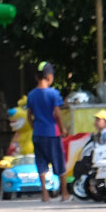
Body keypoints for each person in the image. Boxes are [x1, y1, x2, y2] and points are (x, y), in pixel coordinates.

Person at [27, 64, 66, 202]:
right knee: (59, 161)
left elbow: (29, 116)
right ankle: (64, 193)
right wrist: (62, 130)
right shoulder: (53, 93)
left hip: (37, 133)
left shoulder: (31, 94)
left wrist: (35, 127)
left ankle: (44, 194)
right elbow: (57, 114)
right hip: (52, 133)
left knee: (41, 162)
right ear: (49, 76)